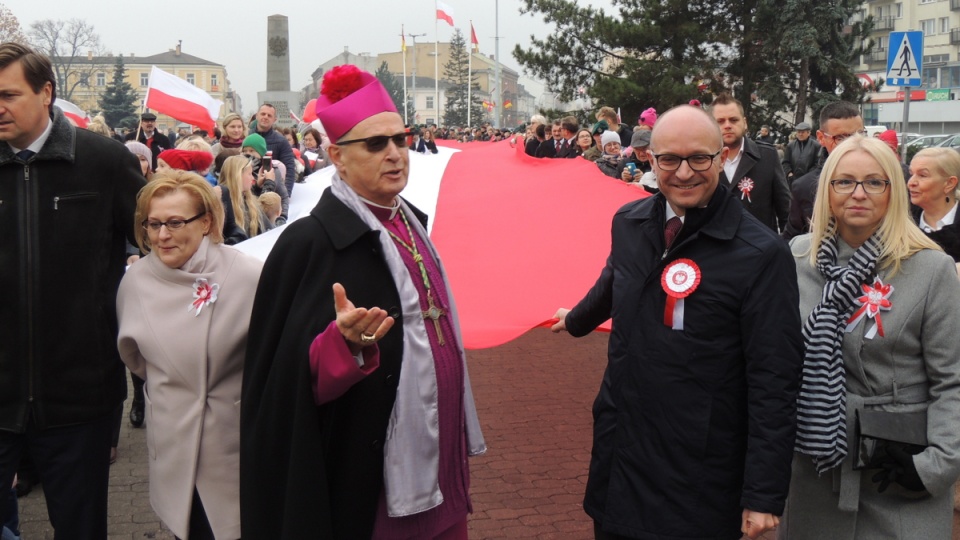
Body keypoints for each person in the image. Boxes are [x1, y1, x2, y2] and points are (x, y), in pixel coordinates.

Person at [241, 64, 486, 539]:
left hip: (441, 457)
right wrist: (345, 344)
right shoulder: (310, 243)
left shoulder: (412, 222)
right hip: (372, 477)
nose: (396, 153)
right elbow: (282, 382)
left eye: (401, 139)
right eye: (376, 144)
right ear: (338, 156)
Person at [552, 105, 803, 540]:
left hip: (698, 473)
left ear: (722, 158)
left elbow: (775, 380)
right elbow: (617, 279)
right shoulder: (629, 223)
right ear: (651, 159)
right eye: (670, 159)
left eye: (698, 159)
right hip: (622, 451)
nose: (684, 173)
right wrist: (575, 320)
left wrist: (763, 494)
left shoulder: (761, 255)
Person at [779, 135, 960, 539]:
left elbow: (954, 380)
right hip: (812, 466)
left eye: (874, 182)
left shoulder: (931, 269)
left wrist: (935, 467)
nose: (858, 194)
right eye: (844, 182)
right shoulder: (796, 257)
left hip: (896, 471)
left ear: (893, 191)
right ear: (826, 189)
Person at [0, 42, 146, 537]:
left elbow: (159, 244)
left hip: (79, 396)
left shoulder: (103, 161)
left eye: (8, 94)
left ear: (46, 93)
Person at [117, 171, 262, 540]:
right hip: (174, 438)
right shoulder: (135, 282)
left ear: (207, 222)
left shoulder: (247, 273)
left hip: (233, 444)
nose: (162, 235)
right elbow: (135, 357)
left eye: (175, 222)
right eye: (153, 224)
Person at [781, 101, 865, 241]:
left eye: (859, 134)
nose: (853, 143)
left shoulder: (886, 177)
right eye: (841, 138)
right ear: (821, 137)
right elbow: (791, 240)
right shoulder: (805, 188)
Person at [711, 93, 790, 233]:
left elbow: (785, 210)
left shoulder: (768, 156)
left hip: (761, 248)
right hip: (716, 248)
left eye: (734, 120)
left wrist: (785, 246)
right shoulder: (701, 160)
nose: (727, 125)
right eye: (720, 121)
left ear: (745, 123)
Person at [908, 147, 960, 261]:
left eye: (922, 175)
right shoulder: (902, 224)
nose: (911, 182)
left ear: (949, 183)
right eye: (911, 174)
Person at [252, 103, 297, 196]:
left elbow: (290, 168)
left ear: (274, 120)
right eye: (263, 114)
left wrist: (286, 194)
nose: (265, 117)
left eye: (269, 115)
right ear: (257, 116)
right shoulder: (247, 137)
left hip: (272, 193)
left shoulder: (281, 141)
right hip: (250, 191)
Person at [219, 154, 268, 238]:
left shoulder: (250, 201)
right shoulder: (221, 203)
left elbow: (268, 230)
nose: (253, 178)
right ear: (238, 176)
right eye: (249, 174)